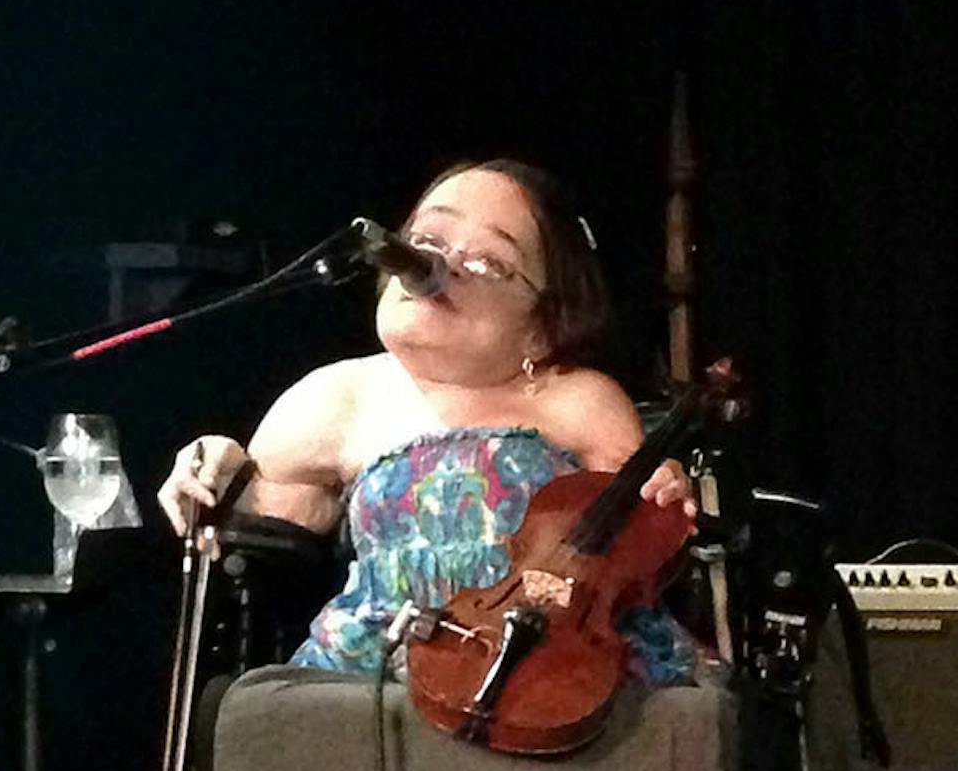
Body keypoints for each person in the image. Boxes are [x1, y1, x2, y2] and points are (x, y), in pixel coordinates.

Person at [156, 158, 704, 684]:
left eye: (489, 261)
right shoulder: (336, 396)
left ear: (542, 326)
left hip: (550, 666)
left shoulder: (576, 398)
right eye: (426, 243)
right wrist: (221, 464)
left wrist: (661, 497)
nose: (443, 268)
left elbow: (636, 547)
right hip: (379, 675)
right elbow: (262, 540)